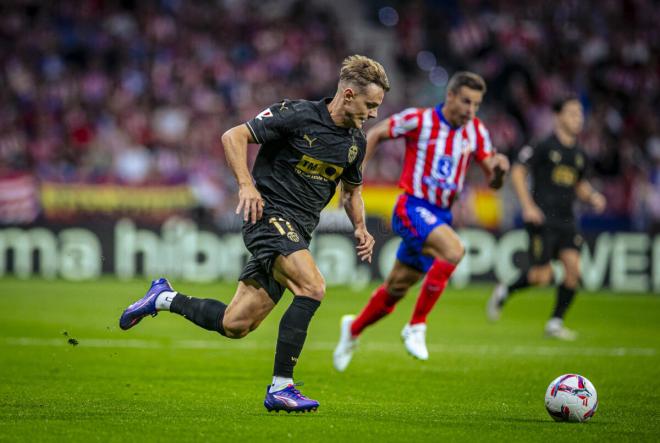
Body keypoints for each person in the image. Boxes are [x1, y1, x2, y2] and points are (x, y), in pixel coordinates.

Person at [119, 55, 390, 412]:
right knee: (312, 287)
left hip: (299, 231)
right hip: (268, 216)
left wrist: (360, 227)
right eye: (370, 105)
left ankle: (162, 297)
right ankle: (282, 387)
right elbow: (233, 136)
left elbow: (352, 192)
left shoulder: (354, 143)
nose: (373, 114)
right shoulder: (296, 114)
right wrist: (246, 186)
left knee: (236, 324)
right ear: (349, 94)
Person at [333, 71, 510, 371]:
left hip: (440, 215)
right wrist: (355, 178)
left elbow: (493, 181)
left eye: (476, 105)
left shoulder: (476, 132)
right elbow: (377, 133)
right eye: (466, 101)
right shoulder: (420, 119)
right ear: (450, 96)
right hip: (411, 206)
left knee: (395, 289)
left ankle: (352, 329)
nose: (470, 110)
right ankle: (416, 326)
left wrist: (500, 170)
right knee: (454, 251)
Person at [486, 97, 606, 340]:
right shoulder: (543, 144)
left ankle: (555, 322)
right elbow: (519, 171)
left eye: (579, 114)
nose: (578, 119)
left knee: (573, 269)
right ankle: (505, 289)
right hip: (542, 218)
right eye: (572, 113)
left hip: (567, 220)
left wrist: (592, 196)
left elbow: (579, 183)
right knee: (542, 276)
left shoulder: (579, 154)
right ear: (558, 116)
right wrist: (528, 206)